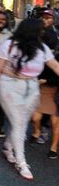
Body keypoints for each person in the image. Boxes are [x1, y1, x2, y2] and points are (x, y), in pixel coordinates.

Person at [0, 19, 59, 180]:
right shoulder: (9, 45)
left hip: (32, 87)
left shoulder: (42, 48)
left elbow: (55, 65)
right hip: (9, 86)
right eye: (40, 30)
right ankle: (21, 162)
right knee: (19, 123)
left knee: (21, 121)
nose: (43, 33)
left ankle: (7, 147)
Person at [31, 10, 59, 152]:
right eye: (43, 17)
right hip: (36, 74)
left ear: (53, 20)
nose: (45, 20)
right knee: (34, 110)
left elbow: (53, 62)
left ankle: (43, 130)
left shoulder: (53, 35)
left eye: (48, 18)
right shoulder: (37, 31)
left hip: (48, 77)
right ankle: (38, 130)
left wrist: (46, 79)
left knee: (50, 112)